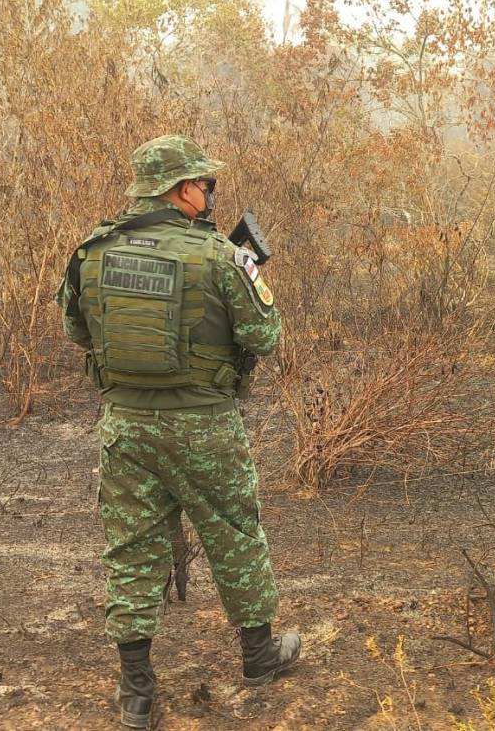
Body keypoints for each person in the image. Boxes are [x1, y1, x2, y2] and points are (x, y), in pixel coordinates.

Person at [56, 134, 300, 728]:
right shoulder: (218, 254)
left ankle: (137, 691)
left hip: (127, 428)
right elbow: (265, 338)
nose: (210, 194)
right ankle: (259, 656)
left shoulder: (93, 251)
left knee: (132, 550)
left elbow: (78, 332)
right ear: (181, 188)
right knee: (235, 534)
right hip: (204, 425)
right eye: (205, 184)